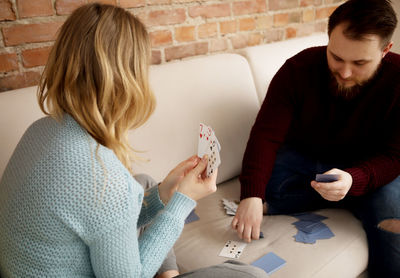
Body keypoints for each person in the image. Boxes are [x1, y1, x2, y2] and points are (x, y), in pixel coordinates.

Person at [0, 4, 268, 278]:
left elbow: (95, 215)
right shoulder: (105, 182)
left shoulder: (39, 130)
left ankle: (168, 272)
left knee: (148, 186)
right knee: (250, 275)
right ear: (127, 81)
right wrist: (182, 202)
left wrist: (166, 193)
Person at [232, 0, 400, 277]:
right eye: (336, 57)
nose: (345, 73)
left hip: (372, 165)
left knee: (392, 217)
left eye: (359, 63)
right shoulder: (297, 69)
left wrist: (353, 179)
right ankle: (354, 199)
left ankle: (356, 196)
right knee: (266, 185)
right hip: (310, 159)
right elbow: (266, 134)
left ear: (385, 51)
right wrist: (250, 194)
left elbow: (395, 157)